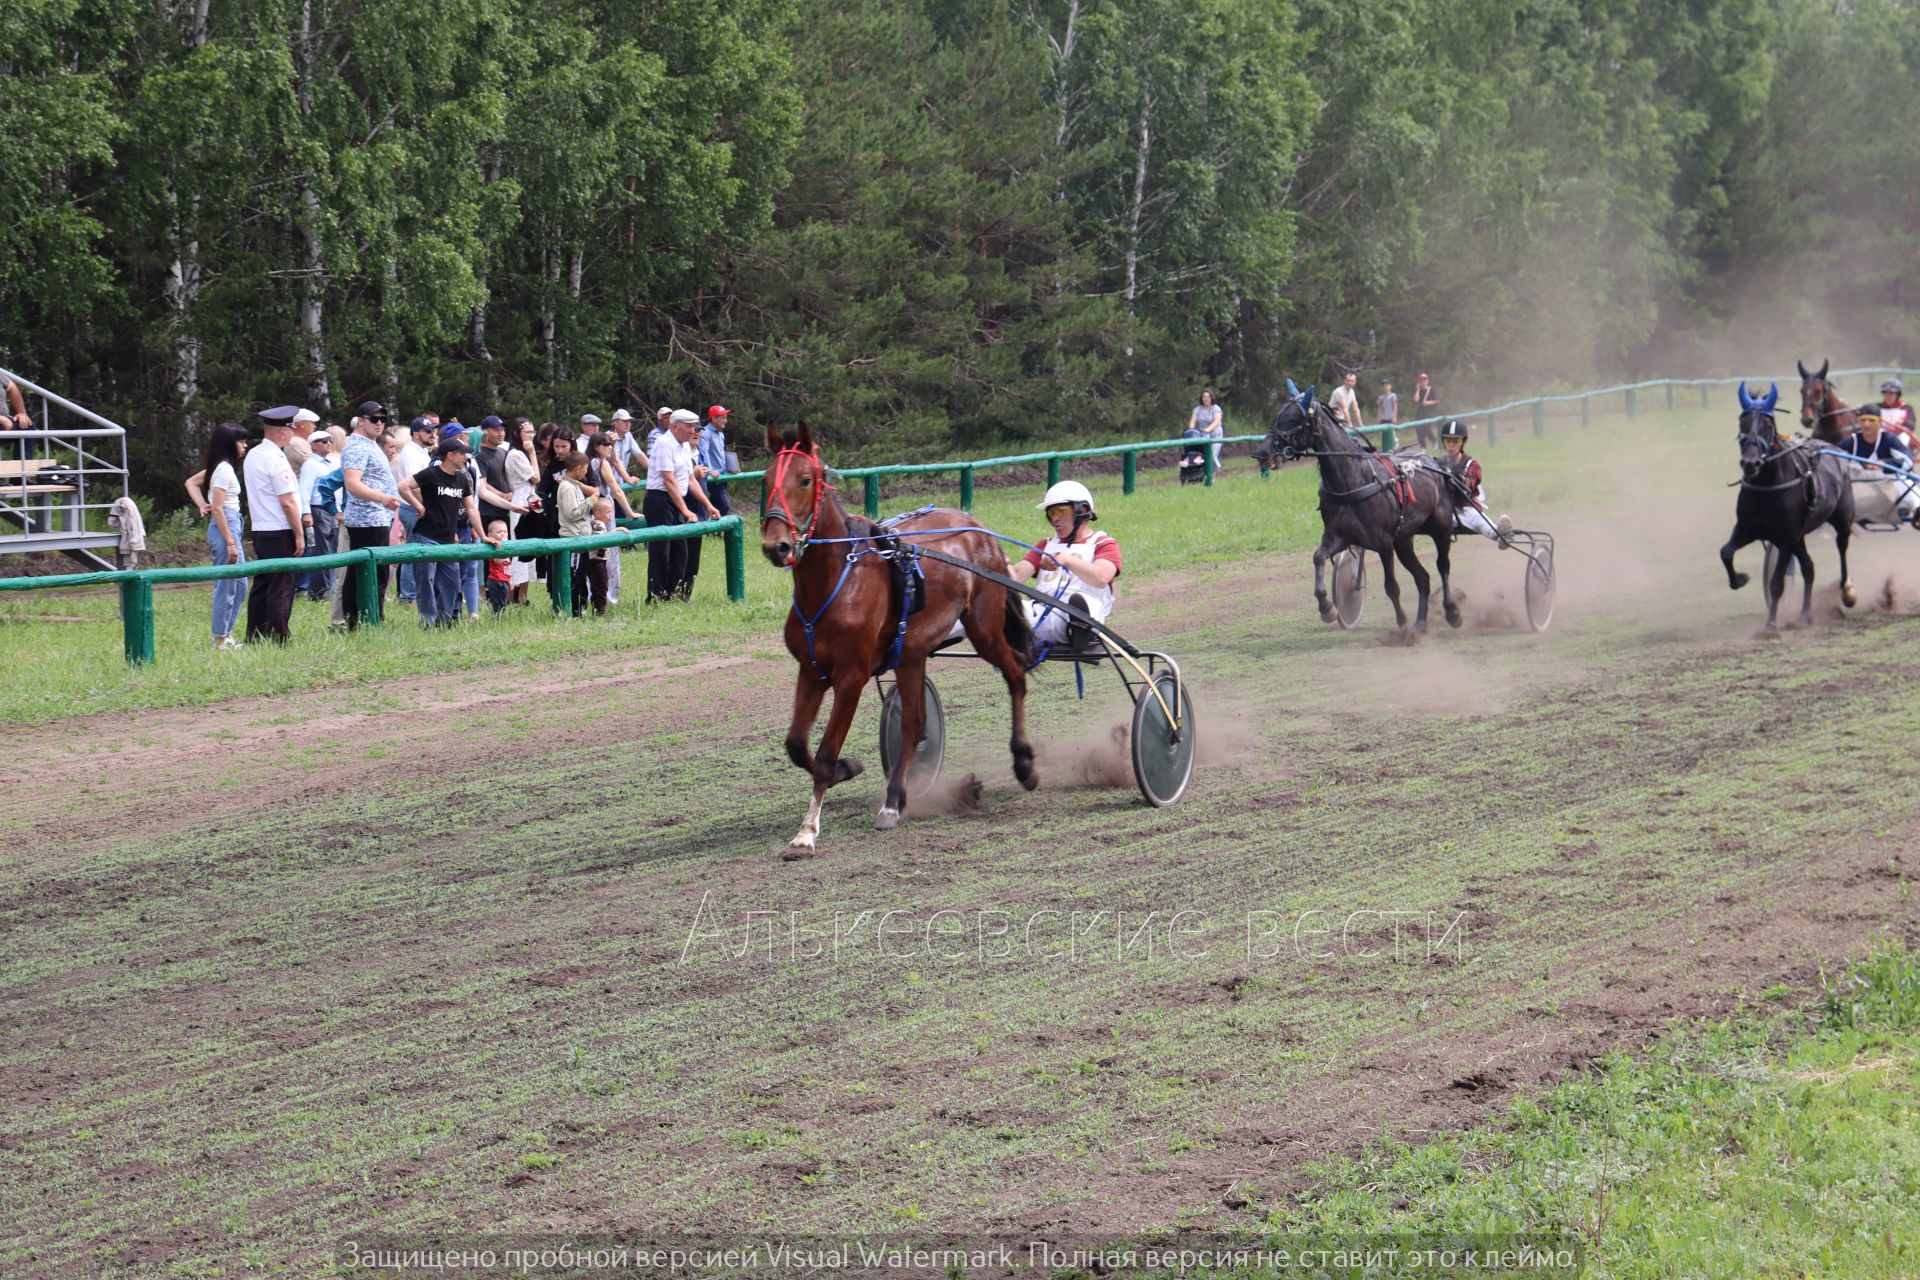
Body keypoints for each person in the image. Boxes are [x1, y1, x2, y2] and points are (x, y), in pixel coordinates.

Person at [1010, 480, 1121, 649]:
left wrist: (1066, 559)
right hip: (1042, 617)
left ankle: (1080, 631)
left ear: (1082, 510)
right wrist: (996, 562)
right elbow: (1016, 576)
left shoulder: (1103, 543)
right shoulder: (1045, 545)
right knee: (1002, 605)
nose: (1055, 518)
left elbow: (1102, 577)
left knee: (1080, 601)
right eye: (1051, 512)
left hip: (1085, 616)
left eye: (1061, 510)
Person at [399, 435, 497, 626]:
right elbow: (403, 486)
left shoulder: (462, 479)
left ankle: (444, 621)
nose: (466, 459)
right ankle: (428, 621)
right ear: (450, 455)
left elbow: (471, 509)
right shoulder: (431, 473)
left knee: (452, 582)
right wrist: (418, 506)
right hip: (426, 536)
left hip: (449, 539)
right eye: (462, 454)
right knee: (426, 582)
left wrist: (483, 536)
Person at [242, 412, 305, 643]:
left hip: (261, 528)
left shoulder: (254, 455)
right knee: (282, 584)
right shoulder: (275, 458)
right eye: (291, 429)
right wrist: (299, 534)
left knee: (263, 582)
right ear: (282, 431)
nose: (293, 433)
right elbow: (287, 501)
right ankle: (280, 634)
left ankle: (256, 633)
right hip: (281, 528)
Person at [338, 402, 402, 628]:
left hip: (376, 517)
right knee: (370, 573)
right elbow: (352, 484)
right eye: (374, 419)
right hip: (367, 519)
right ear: (361, 420)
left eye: (383, 419)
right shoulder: (357, 446)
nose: (379, 423)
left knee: (372, 571)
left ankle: (367, 618)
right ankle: (364, 619)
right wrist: (382, 498)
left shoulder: (369, 444)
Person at [192, 421, 250, 649]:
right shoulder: (223, 469)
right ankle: (220, 637)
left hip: (231, 523)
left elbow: (191, 482)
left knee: (240, 583)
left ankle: (225, 634)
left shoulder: (222, 467)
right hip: (225, 525)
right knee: (228, 584)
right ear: (229, 443)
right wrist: (230, 543)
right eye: (241, 441)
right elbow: (217, 509)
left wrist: (201, 504)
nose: (245, 446)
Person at [642, 409, 708, 602]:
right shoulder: (664, 444)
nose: (692, 430)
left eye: (694, 426)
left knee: (681, 552)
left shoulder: (685, 446)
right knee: (661, 552)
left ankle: (673, 594)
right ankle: (655, 596)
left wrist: (708, 505)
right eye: (688, 426)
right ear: (674, 426)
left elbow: (689, 480)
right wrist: (685, 510)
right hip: (659, 501)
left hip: (674, 499)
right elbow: (668, 481)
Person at [1839, 407, 1920, 524]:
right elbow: (1832, 457)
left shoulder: (1889, 439)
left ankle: (1917, 509)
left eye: (1871, 420)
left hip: (1888, 481)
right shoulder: (1853, 441)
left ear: (1880, 422)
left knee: (1906, 482)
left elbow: (1908, 460)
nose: (1866, 425)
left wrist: (1884, 464)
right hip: (1859, 485)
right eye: (1863, 420)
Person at [1438, 420, 1512, 543]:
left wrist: (1459, 477)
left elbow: (1471, 483)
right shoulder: (1438, 463)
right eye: (1448, 441)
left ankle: (1501, 535)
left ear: (1463, 442)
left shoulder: (1472, 464)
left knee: (1479, 522)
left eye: (1456, 441)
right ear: (1443, 442)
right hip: (1446, 510)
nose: (1451, 445)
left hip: (1467, 509)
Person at [585, 433, 635, 604]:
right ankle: (608, 596)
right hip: (604, 508)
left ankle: (593, 595)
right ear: (595, 446)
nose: (609, 447)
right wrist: (630, 512)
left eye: (611, 444)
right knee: (608, 553)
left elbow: (614, 459)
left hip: (591, 511)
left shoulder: (588, 462)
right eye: (605, 444)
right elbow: (616, 489)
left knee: (593, 554)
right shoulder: (600, 463)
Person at [297, 429, 341, 600]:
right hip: (318, 509)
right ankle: (319, 591)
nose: (328, 443)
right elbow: (304, 490)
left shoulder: (330, 462)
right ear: (314, 445)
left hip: (331, 510)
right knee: (321, 551)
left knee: (331, 550)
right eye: (324, 441)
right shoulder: (311, 464)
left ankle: (328, 588)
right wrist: (306, 512)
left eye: (330, 440)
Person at [555, 450, 597, 615]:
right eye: (586, 468)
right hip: (573, 539)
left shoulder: (574, 486)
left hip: (581, 538)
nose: (587, 472)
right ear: (578, 468)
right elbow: (572, 513)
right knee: (574, 578)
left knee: (581, 576)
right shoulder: (567, 487)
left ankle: (580, 608)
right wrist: (590, 501)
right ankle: (573, 610)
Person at [506, 420, 541, 604]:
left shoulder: (520, 454)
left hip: (529, 498)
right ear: (517, 433)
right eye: (527, 432)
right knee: (520, 547)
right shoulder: (516, 455)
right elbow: (536, 477)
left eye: (533, 432)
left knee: (528, 548)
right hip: (521, 500)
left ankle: (523, 596)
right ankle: (512, 595)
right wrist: (533, 453)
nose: (531, 436)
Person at [699, 405, 732, 516]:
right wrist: (710, 470)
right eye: (723, 418)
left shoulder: (720, 434)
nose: (726, 421)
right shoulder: (705, 433)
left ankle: (716, 530)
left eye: (726, 417)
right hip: (713, 476)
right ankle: (717, 529)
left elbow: (720, 454)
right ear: (713, 418)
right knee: (724, 505)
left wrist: (731, 467)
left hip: (721, 475)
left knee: (715, 504)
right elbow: (704, 453)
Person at [1873, 378, 1916, 450]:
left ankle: (1901, 457)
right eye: (1886, 394)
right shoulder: (1876, 407)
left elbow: (1910, 426)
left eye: (1891, 394)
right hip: (1878, 435)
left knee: (1904, 437)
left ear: (1898, 395)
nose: (1888, 397)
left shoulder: (1906, 408)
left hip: (1898, 437)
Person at [1188, 389, 1223, 471]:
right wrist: (1191, 431)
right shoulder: (1197, 409)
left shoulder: (1216, 408)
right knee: (1202, 456)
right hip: (1202, 436)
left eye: (1208, 397)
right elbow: (1192, 421)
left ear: (1211, 398)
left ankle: (1217, 469)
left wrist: (1208, 429)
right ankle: (1205, 472)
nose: (1206, 399)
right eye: (1204, 397)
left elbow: (1217, 421)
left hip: (1215, 436)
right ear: (1201, 398)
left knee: (1212, 455)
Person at [484, 519, 512, 615]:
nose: (503, 534)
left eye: (505, 531)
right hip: (496, 581)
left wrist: (510, 581)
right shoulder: (494, 547)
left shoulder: (505, 547)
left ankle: (500, 618)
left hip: (504, 581)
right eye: (499, 532)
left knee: (503, 602)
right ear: (490, 535)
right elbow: (497, 561)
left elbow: (508, 567)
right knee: (498, 604)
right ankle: (497, 619)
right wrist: (506, 553)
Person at [1329, 371, 1364, 436]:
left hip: (1342, 420)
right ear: (1344, 381)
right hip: (1332, 419)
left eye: (1352, 381)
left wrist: (1361, 424)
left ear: (1355, 382)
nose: (1350, 383)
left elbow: (1356, 408)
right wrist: (1350, 424)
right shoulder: (1339, 392)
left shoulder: (1352, 392)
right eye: (1348, 381)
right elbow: (1344, 408)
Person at [1410, 373, 1439, 449]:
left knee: (1427, 428)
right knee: (1418, 429)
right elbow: (1416, 400)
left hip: (1429, 411)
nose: (1423, 382)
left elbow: (1437, 401)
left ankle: (1434, 440)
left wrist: (1428, 403)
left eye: (1424, 380)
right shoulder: (1417, 390)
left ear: (1427, 380)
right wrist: (1418, 389)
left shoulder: (1431, 390)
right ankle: (1423, 446)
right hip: (1420, 411)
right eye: (1421, 380)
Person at [1376, 380, 1399, 451]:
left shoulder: (1393, 396)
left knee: (1392, 433)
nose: (1386, 387)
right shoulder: (1381, 397)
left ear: (1390, 386)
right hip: (1383, 418)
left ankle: (1395, 445)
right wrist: (1378, 417)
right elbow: (1380, 408)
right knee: (1383, 433)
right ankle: (1385, 449)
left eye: (1387, 385)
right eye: (1384, 386)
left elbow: (1395, 406)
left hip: (1390, 417)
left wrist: (1394, 416)